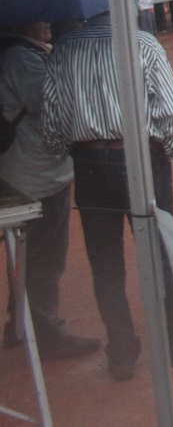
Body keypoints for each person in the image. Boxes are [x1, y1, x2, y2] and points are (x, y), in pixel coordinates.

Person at [42, 9, 173, 381]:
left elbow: (52, 121)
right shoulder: (142, 43)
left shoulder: (63, 49)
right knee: (159, 251)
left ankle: (122, 351)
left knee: (104, 260)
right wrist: (168, 151)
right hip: (141, 156)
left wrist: (73, 148)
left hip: (90, 161)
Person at [0, 23, 100, 360]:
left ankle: (20, 324)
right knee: (45, 258)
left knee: (26, 253)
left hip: (26, 171)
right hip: (37, 176)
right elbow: (54, 101)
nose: (46, 21)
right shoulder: (22, 58)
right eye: (38, 16)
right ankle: (48, 334)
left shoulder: (19, 54)